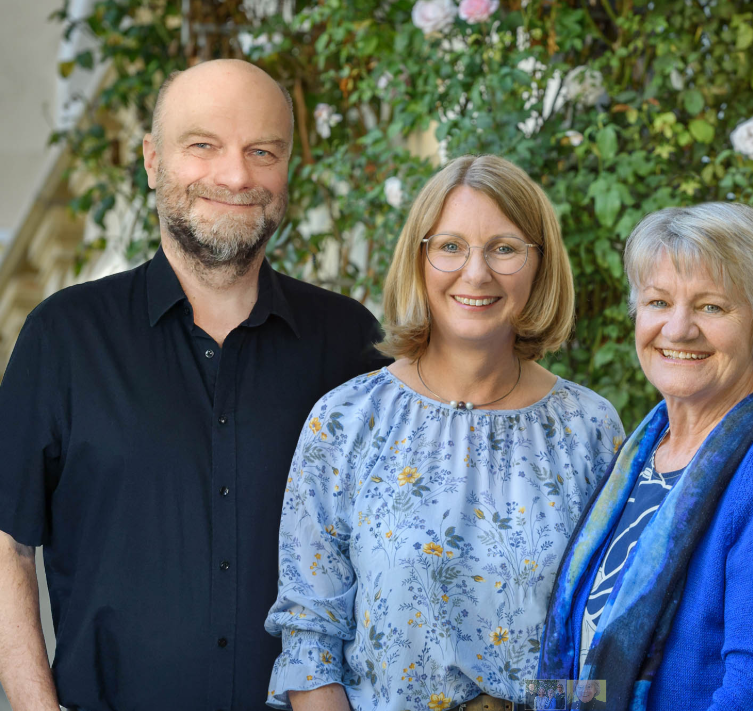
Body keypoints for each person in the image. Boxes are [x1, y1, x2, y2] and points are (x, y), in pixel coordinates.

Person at [0, 59, 391, 710]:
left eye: (262, 151)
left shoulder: (350, 343)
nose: (236, 176)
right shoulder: (64, 336)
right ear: (153, 160)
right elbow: (7, 545)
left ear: (287, 167)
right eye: (204, 145)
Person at [264, 155, 624, 711]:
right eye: (451, 246)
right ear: (419, 259)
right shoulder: (345, 420)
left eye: (504, 248)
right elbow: (310, 643)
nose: (476, 273)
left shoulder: (588, 428)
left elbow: (609, 657)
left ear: (540, 264)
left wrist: (521, 703)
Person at [538, 203, 753, 710]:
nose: (678, 329)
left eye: (711, 307)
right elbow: (585, 657)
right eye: (658, 302)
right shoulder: (641, 453)